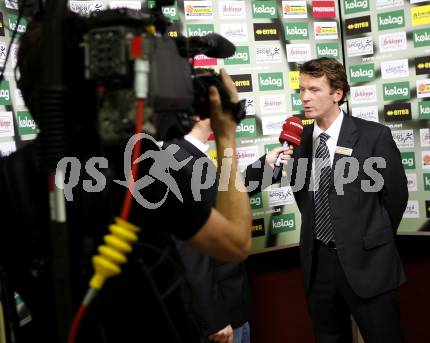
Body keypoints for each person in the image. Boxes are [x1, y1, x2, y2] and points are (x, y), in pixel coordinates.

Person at [0, 13, 252, 343]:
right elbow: (235, 242)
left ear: (25, 86)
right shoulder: (135, 162)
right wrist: (227, 137)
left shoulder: (9, 178)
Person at [245, 57, 408, 342]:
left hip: (367, 264)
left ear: (337, 94)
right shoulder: (297, 141)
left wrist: (370, 240)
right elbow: (247, 184)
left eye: (315, 89)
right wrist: (271, 161)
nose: (305, 97)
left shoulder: (373, 137)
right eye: (302, 90)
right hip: (318, 265)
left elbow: (395, 198)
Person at [165, 108, 252, 343]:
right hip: (221, 319)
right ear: (203, 116)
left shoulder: (190, 154)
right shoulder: (178, 161)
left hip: (232, 307)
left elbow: (222, 197)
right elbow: (191, 253)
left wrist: (267, 166)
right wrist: (214, 318)